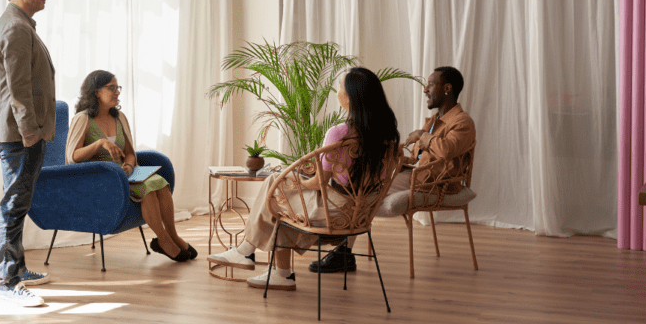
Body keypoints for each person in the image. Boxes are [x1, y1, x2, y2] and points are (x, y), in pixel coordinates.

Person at [208, 67, 400, 290]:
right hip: (361, 213)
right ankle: (278, 273)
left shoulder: (339, 132)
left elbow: (319, 184)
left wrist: (302, 182)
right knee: (279, 202)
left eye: (340, 86)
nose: (337, 91)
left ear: (351, 95)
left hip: (334, 210)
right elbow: (357, 175)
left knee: (275, 187)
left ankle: (247, 252)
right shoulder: (388, 134)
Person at [310, 65, 476, 274]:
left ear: (447, 88)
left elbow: (446, 150)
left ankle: (342, 249)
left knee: (361, 188)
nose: (425, 89)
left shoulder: (463, 122)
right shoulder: (434, 121)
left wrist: (421, 136)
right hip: (419, 175)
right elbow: (418, 158)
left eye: (431, 84)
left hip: (435, 184)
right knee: (360, 183)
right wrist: (392, 154)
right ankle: (343, 251)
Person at [67, 70, 196, 262]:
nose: (117, 92)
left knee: (160, 182)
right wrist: (100, 143)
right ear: (96, 92)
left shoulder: (119, 117)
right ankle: (163, 241)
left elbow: (129, 151)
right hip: (99, 179)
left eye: (117, 87)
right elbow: (73, 157)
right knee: (146, 188)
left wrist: (128, 165)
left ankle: (172, 235)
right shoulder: (83, 118)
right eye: (112, 88)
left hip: (123, 173)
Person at [0, 0, 56, 307]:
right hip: (20, 134)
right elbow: (18, 90)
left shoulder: (20, 25)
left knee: (17, 201)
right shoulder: (16, 29)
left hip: (22, 133)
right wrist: (31, 133)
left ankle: (18, 268)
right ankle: (9, 282)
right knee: (14, 205)